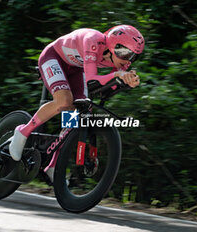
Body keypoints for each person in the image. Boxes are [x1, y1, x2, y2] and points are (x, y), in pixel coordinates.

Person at [9, 25, 144, 179]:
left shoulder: (122, 61)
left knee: (79, 110)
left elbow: (106, 88)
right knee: (64, 101)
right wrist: (118, 75)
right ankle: (23, 131)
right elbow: (93, 80)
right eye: (126, 54)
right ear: (115, 46)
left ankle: (53, 164)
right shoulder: (93, 40)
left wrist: (126, 83)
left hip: (76, 69)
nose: (129, 60)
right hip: (53, 58)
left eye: (134, 56)